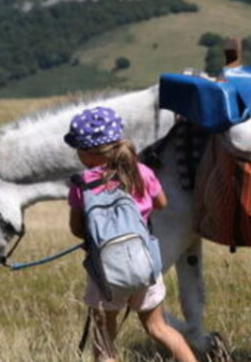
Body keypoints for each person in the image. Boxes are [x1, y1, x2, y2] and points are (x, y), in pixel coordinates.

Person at [64, 106, 198, 362]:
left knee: (104, 337)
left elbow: (77, 229)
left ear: (87, 154)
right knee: (158, 328)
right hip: (144, 264)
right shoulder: (141, 172)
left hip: (105, 271)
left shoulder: (82, 183)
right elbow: (161, 203)